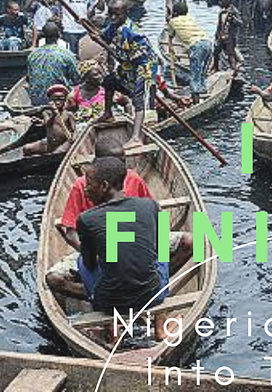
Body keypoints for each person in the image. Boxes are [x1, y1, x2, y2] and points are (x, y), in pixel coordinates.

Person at [47, 157, 170, 328]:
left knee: (81, 260)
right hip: (153, 295)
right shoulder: (151, 206)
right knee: (161, 255)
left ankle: (111, 327)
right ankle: (160, 325)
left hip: (108, 303)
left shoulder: (86, 219)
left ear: (104, 186)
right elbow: (162, 245)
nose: (86, 190)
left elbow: (89, 264)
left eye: (89, 185)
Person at [97, 0, 160, 149]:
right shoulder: (114, 25)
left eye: (116, 15)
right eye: (110, 14)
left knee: (138, 100)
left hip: (143, 66)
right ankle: (108, 113)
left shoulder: (131, 31)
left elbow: (135, 56)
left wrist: (109, 48)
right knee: (108, 81)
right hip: (128, 65)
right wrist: (90, 28)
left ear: (125, 13)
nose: (112, 18)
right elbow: (103, 37)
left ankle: (136, 137)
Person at [168, 0, 213, 102]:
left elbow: (171, 35)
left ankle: (196, 101)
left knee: (194, 74)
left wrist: (170, 19)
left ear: (175, 13)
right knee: (201, 73)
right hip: (207, 43)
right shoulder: (191, 18)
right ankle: (203, 92)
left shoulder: (172, 21)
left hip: (196, 46)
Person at [67, 59, 133, 128]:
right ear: (86, 78)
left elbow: (127, 103)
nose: (100, 77)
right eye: (96, 74)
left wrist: (129, 123)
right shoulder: (75, 94)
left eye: (101, 73)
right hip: (85, 132)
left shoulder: (108, 91)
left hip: (108, 129)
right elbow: (68, 112)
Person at [27, 22, 81, 106]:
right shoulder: (67, 54)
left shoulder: (32, 55)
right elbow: (76, 79)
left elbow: (29, 79)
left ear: (43, 36)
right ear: (59, 35)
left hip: (36, 100)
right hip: (58, 100)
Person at [23, 84, 76, 157]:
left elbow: (74, 130)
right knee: (26, 148)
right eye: (55, 99)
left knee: (56, 154)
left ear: (65, 100)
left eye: (61, 99)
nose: (57, 102)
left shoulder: (69, 114)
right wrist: (54, 114)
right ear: (50, 100)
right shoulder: (46, 112)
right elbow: (48, 124)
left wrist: (72, 138)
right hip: (49, 143)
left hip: (63, 143)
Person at [212, 0, 242, 73]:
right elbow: (219, 25)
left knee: (230, 53)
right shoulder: (221, 12)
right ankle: (215, 68)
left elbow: (240, 23)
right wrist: (216, 36)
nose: (220, 2)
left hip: (230, 37)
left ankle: (233, 69)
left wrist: (233, 19)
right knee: (216, 52)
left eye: (222, 0)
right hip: (221, 35)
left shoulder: (234, 11)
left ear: (228, 1)